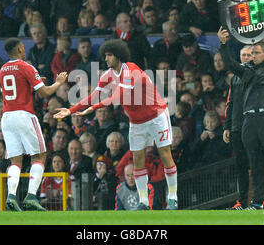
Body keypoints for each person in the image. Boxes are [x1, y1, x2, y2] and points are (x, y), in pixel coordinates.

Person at [54, 39, 178, 210]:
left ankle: (173, 197)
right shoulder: (107, 75)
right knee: (137, 159)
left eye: (109, 55)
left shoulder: (132, 70)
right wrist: (71, 109)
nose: (106, 59)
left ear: (119, 55)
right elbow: (94, 96)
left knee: (165, 154)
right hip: (137, 121)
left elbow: (116, 97)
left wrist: (93, 109)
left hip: (156, 115)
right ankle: (143, 201)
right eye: (105, 55)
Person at [217, 11, 264, 210]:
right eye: (251, 53)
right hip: (249, 120)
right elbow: (231, 64)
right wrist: (223, 45)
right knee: (255, 164)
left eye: (256, 52)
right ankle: (257, 203)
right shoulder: (246, 70)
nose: (252, 56)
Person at [0, 37, 68, 211]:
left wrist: (30, 84)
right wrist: (58, 82)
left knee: (16, 160)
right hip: (24, 115)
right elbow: (45, 93)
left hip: (7, 116)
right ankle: (31, 197)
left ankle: (11, 196)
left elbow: (12, 92)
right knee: (40, 155)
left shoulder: (2, 70)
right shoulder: (26, 66)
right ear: (21, 48)